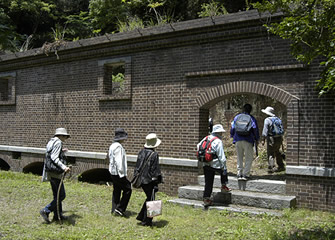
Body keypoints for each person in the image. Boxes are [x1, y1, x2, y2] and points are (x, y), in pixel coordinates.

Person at [40, 128, 71, 223]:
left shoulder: (51, 141)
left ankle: (58, 215)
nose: (65, 138)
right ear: (60, 135)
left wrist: (61, 151)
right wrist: (64, 167)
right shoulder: (58, 142)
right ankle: (46, 210)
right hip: (55, 172)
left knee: (56, 195)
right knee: (61, 195)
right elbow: (54, 157)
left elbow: (50, 154)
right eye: (65, 136)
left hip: (50, 171)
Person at [197, 124, 231, 207]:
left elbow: (198, 146)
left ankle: (206, 199)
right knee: (223, 171)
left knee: (208, 182)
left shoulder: (205, 138)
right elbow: (221, 156)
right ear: (218, 132)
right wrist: (224, 165)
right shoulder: (218, 141)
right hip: (215, 163)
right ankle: (224, 186)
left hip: (205, 163)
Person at [134, 133, 163, 226]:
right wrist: (157, 181)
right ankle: (146, 221)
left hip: (141, 180)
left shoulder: (141, 152)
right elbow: (155, 170)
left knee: (149, 198)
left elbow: (137, 166)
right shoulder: (154, 154)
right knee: (151, 199)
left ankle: (141, 216)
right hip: (149, 180)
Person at [230, 104, 260, 181]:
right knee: (248, 158)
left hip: (238, 139)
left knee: (239, 157)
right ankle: (246, 174)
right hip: (248, 140)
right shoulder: (251, 118)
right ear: (250, 110)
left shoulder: (237, 117)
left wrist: (232, 136)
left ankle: (239, 173)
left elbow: (233, 127)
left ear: (243, 109)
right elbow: (255, 128)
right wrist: (257, 139)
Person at [108, 128, 132, 217]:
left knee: (117, 190)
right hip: (118, 173)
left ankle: (114, 208)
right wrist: (122, 174)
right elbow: (119, 161)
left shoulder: (112, 145)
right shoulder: (118, 147)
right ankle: (120, 209)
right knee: (128, 189)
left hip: (113, 172)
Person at [261, 106, 285, 173]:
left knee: (270, 153)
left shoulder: (267, 120)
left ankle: (271, 167)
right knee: (277, 151)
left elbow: (265, 130)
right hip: (279, 138)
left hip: (271, 138)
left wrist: (263, 139)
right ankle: (281, 166)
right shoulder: (278, 119)